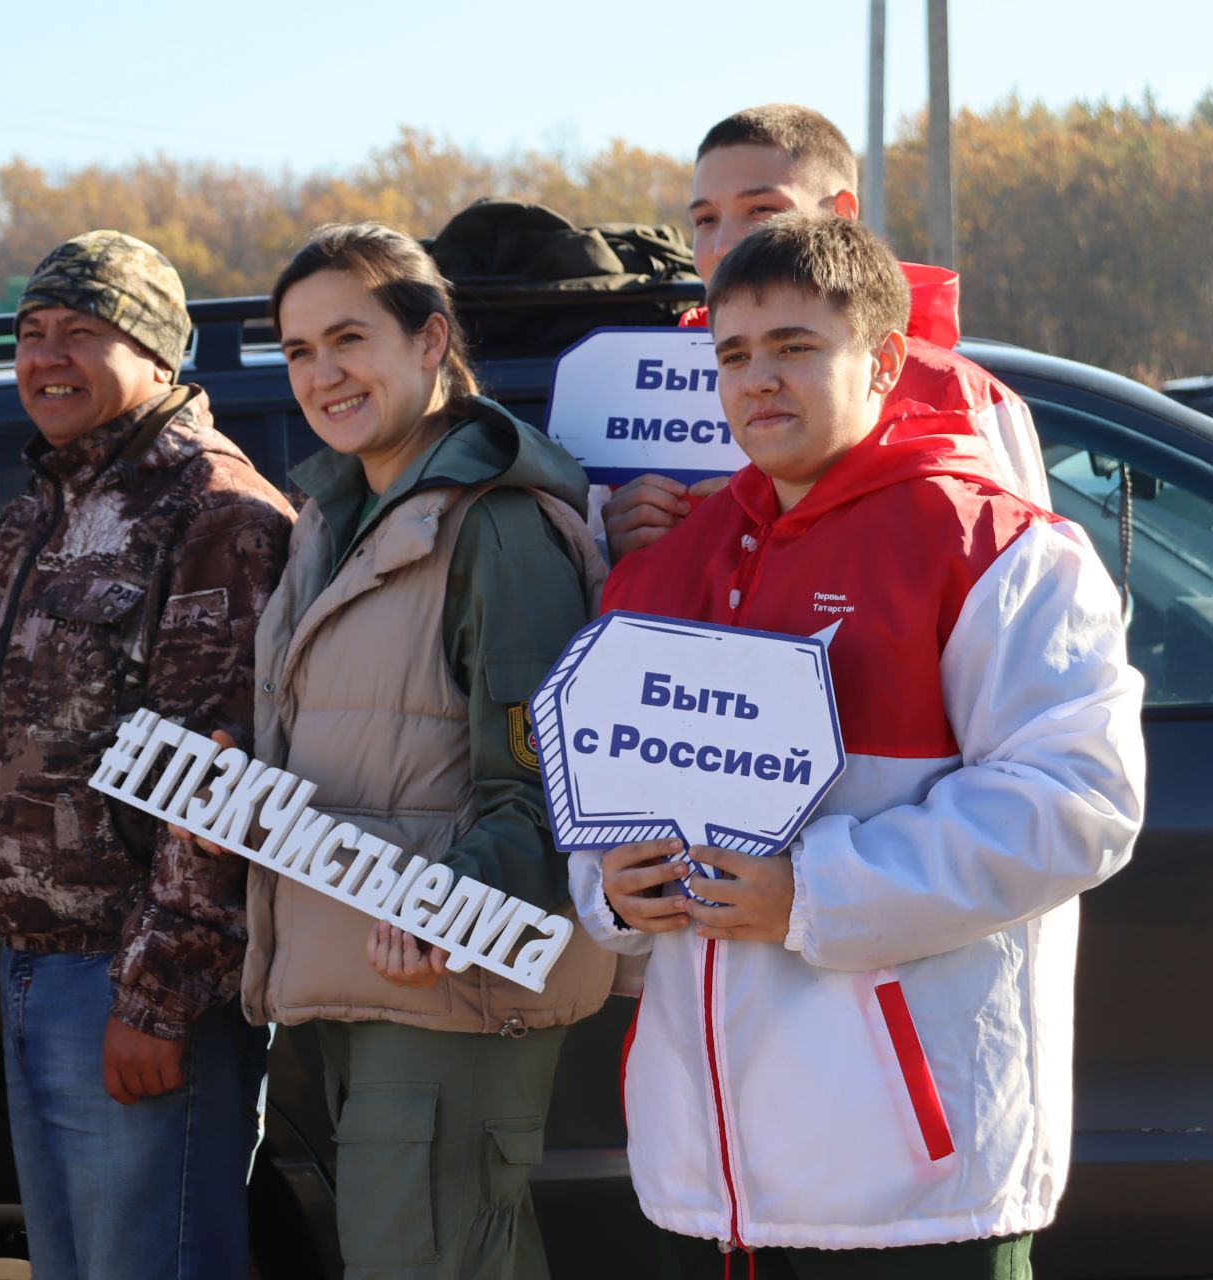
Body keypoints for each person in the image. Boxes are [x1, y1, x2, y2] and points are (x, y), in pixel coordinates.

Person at [577, 212, 1144, 1276]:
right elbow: (606, 810)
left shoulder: (995, 545)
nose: (760, 381)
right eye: (735, 355)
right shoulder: (667, 567)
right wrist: (611, 886)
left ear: (883, 359)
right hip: (713, 1181)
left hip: (912, 1188)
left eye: (797, 346)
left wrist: (813, 892)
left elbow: (1079, 801)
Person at [0, 230, 292, 1280]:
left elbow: (224, 779)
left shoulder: (216, 512)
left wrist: (155, 999)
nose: (47, 357)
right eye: (32, 334)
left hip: (131, 978)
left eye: (83, 332)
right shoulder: (41, 510)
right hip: (31, 967)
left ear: (162, 357)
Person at [237, 223, 617, 1280]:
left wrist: (448, 896)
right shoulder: (339, 515)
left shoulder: (495, 526)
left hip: (454, 974)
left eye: (348, 337)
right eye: (299, 350)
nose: (322, 373)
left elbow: (547, 780)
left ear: (429, 339)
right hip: (368, 971)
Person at [600, 103, 1049, 563]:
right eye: (705, 219)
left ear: (841, 214)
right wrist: (614, 538)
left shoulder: (963, 391)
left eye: (761, 209)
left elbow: (1021, 575)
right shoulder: (637, 377)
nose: (724, 245)